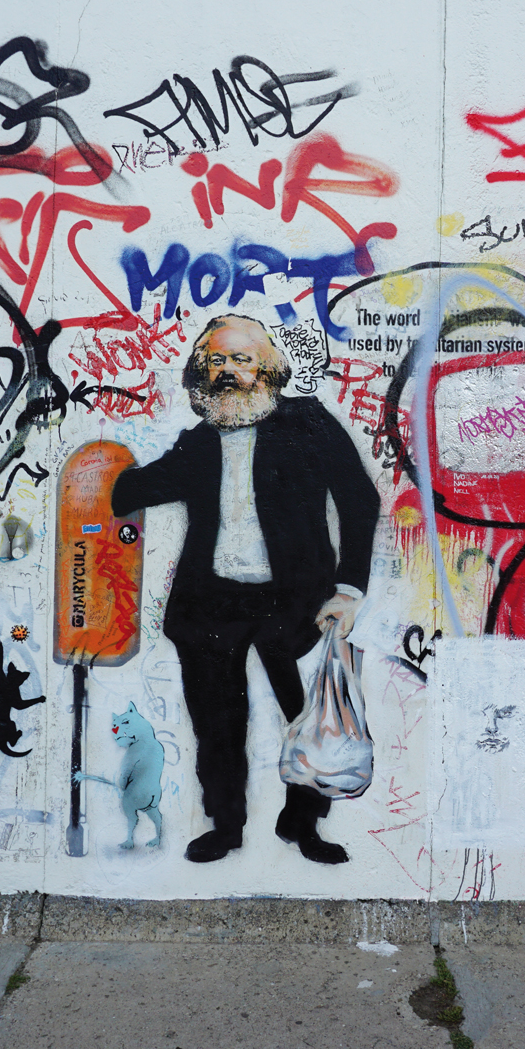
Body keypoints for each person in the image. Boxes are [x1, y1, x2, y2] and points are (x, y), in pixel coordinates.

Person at [110, 314, 379, 864]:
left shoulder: (307, 423)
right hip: (212, 602)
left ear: (268, 367)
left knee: (309, 718)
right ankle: (225, 825)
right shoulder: (200, 441)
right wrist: (104, 472)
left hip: (296, 602)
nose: (228, 371)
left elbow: (359, 500)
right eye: (217, 361)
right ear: (202, 371)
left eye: (241, 359)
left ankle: (304, 825)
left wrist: (349, 590)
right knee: (217, 725)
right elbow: (137, 490)